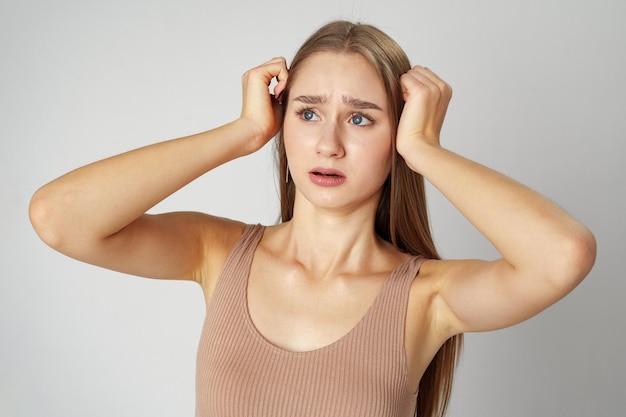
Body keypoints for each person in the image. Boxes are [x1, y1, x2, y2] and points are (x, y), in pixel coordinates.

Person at [29, 20, 596, 417]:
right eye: (308, 112)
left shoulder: (427, 295)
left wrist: (423, 148)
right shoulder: (218, 252)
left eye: (362, 119)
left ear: (395, 133)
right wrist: (243, 133)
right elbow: (59, 217)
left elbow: (562, 255)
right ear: (283, 121)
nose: (328, 143)